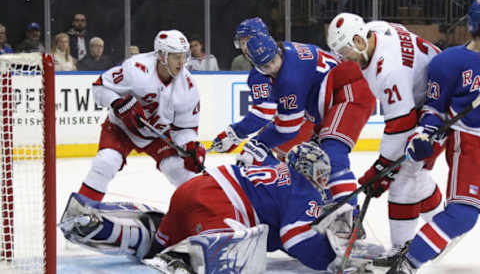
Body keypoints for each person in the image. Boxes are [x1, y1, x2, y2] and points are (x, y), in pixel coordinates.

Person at [60, 142, 383, 273]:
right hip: (220, 208)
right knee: (240, 251)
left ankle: (103, 226)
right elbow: (295, 239)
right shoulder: (304, 191)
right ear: (308, 172)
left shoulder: (279, 167)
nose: (323, 181)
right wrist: (333, 260)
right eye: (320, 174)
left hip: (193, 189)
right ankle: (183, 258)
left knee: (155, 241)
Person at [327, 12, 444, 263]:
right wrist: (383, 168)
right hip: (432, 97)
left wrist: (382, 169)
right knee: (415, 174)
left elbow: (402, 124)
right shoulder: (375, 29)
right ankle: (442, 227)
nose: (344, 59)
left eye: (345, 52)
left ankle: (400, 252)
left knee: (403, 179)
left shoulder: (387, 69)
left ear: (359, 41)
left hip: (438, 107)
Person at [218, 24, 376, 207]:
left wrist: (257, 143)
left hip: (348, 92)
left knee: (332, 154)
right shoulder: (286, 50)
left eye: (272, 61)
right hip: (329, 104)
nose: (271, 67)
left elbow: (287, 128)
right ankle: (326, 206)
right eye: (265, 66)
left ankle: (349, 215)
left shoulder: (289, 78)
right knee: (307, 163)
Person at [385, 0, 480, 274]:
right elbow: (434, 108)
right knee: (462, 215)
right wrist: (423, 134)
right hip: (472, 143)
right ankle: (408, 262)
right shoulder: (449, 62)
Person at [76, 30, 205, 202]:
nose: (181, 62)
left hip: (158, 134)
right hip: (122, 128)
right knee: (106, 162)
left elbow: (185, 128)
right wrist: (117, 104)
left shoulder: (188, 86)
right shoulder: (136, 68)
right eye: (176, 57)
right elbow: (100, 87)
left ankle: (200, 216)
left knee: (179, 171)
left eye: (184, 56)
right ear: (162, 56)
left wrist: (190, 146)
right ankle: (81, 213)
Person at [212, 17, 315, 164]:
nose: (244, 48)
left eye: (247, 41)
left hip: (297, 130)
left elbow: (263, 113)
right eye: (241, 43)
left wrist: (233, 134)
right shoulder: (290, 52)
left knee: (249, 160)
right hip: (314, 126)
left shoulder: (259, 74)